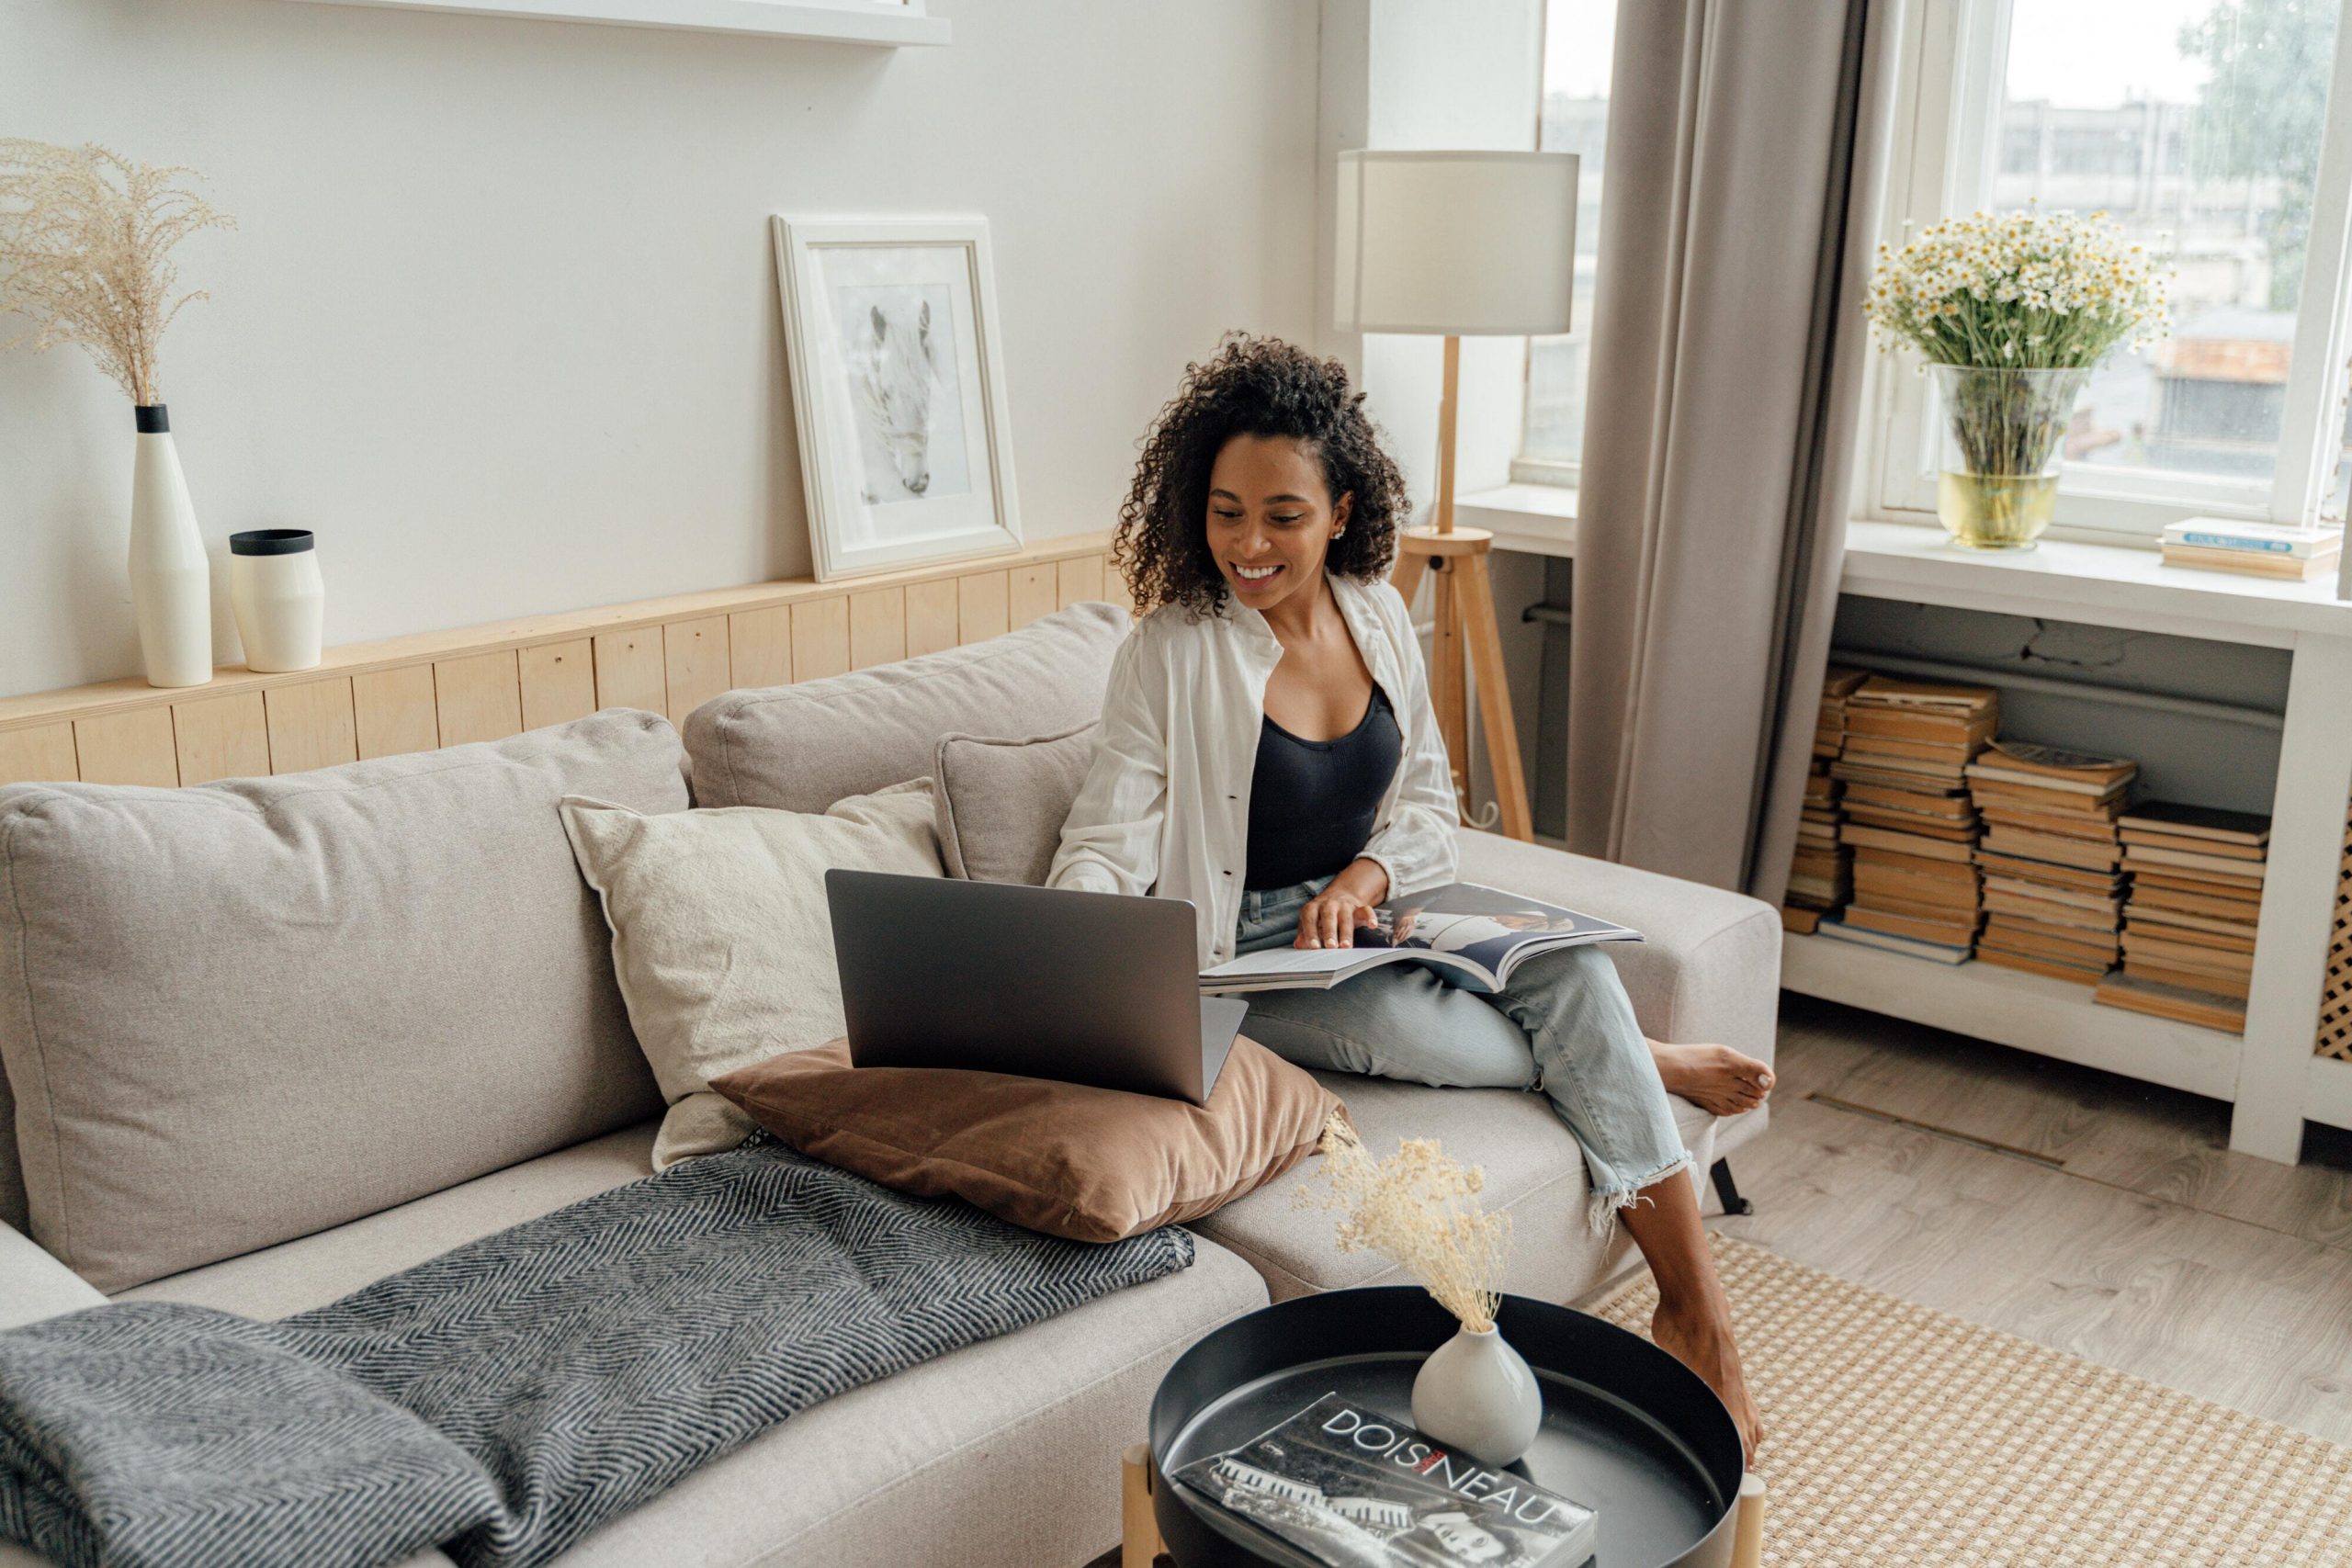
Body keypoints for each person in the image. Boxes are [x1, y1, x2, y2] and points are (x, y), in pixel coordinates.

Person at [1047, 333, 1769, 1457]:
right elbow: (1106, 834)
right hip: (1245, 954)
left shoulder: (1375, 610)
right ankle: (1636, 1057)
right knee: (1457, 1043)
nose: (1248, 543)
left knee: (1572, 965)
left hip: (1375, 910)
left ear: (1339, 511)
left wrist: (1368, 875)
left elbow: (1430, 803)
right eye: (1226, 510)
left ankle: (1698, 1315)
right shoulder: (1171, 651)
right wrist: (1073, 942)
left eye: (1282, 515)